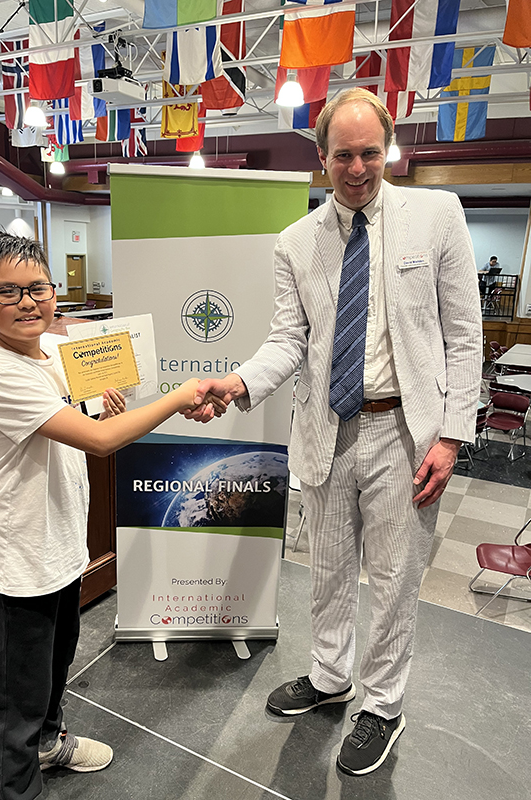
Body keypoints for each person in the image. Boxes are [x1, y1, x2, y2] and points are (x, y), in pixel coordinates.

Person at [184, 88, 482, 776]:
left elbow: (466, 337)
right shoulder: (296, 242)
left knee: (396, 578)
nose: (358, 167)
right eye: (343, 154)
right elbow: (290, 339)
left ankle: (383, 703)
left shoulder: (437, 216)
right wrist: (240, 381)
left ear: (389, 149)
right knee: (328, 573)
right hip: (327, 429)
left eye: (370, 152)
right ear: (321, 158)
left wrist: (452, 437)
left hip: (407, 433)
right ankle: (329, 677)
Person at [0, 233, 221, 800]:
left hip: (57, 549)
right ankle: (19, 786)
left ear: (54, 291)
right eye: (8, 292)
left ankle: (51, 743)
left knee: (53, 670)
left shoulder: (53, 355)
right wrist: (177, 399)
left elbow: (86, 420)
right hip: (18, 562)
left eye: (38, 287)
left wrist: (99, 403)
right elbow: (102, 442)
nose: (28, 302)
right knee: (14, 699)